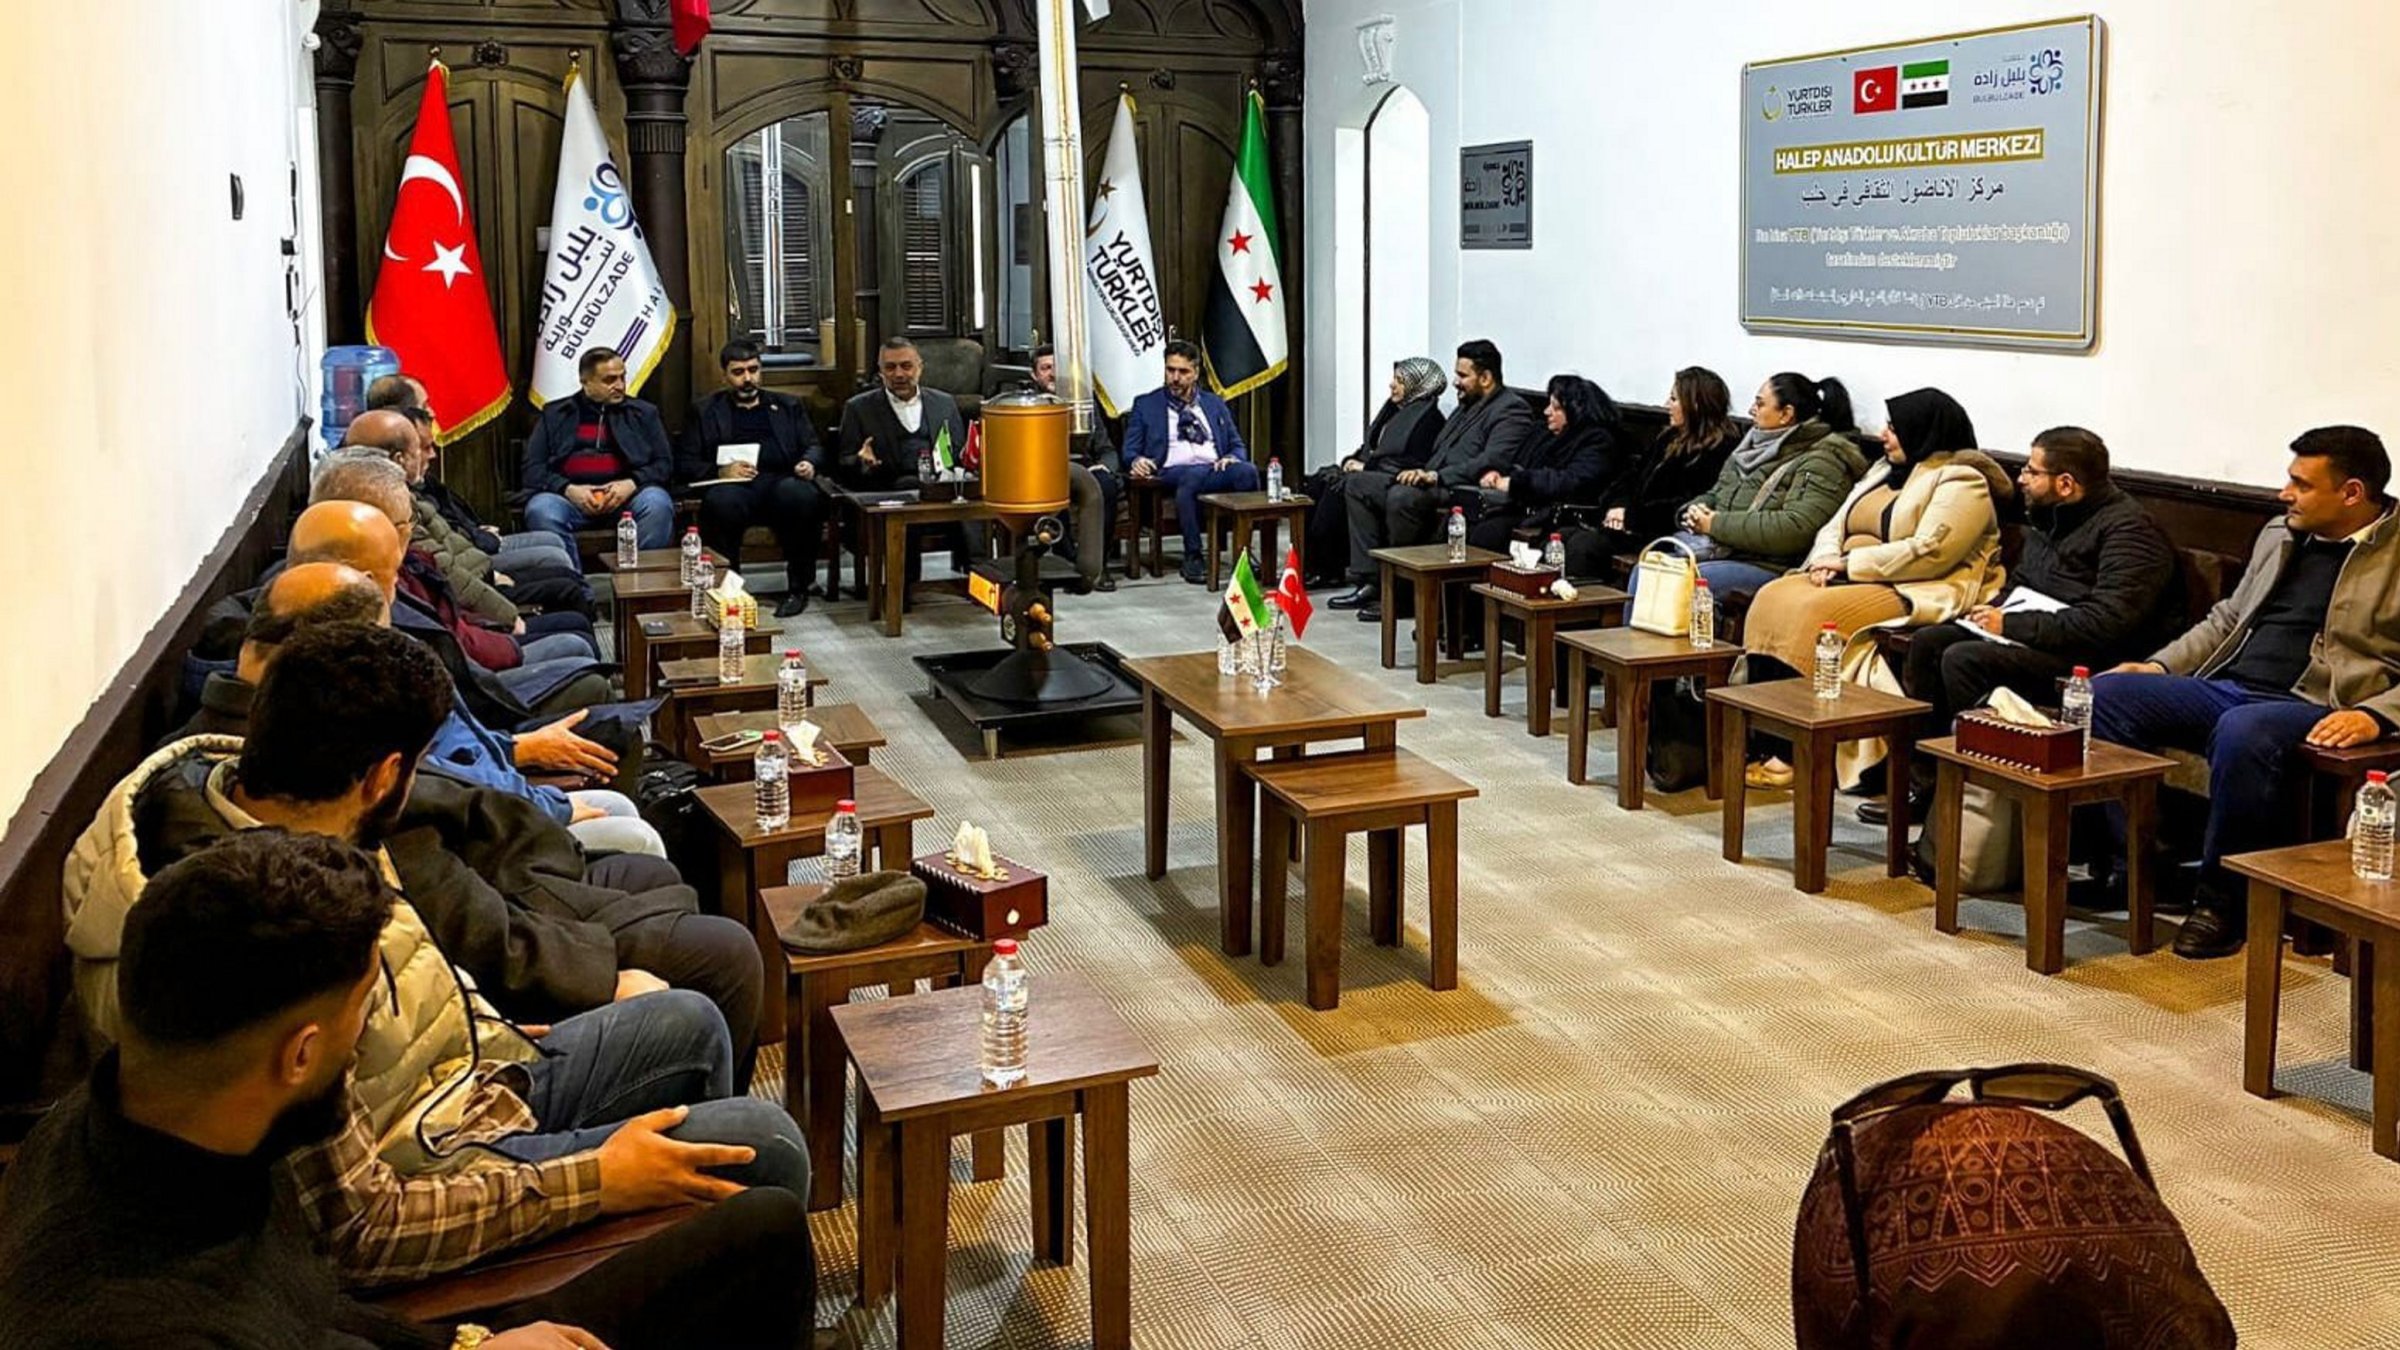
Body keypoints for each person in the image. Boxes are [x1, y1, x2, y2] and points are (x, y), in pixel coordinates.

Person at [62, 624, 808, 1288]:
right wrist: (599, 1181)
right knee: (763, 1146)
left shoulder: (294, 822)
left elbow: (424, 972)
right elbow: (358, 1228)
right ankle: (662, 1261)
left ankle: (682, 1269)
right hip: (435, 1169)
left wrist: (489, 1030)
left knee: (688, 1020)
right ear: (386, 775)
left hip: (458, 1084)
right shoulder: (262, 928)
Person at [2, 829, 817, 1349]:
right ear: (302, 1053)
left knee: (762, 1229)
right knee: (764, 1165)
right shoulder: (132, 1315)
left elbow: (320, 1301)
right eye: (366, 1010)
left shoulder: (153, 1113)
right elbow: (359, 1242)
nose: (364, 1043)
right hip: (419, 1308)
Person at [2091, 426, 2400, 959]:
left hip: (2316, 702)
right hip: (2228, 684)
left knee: (2244, 730)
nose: (2285, 493)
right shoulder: (2281, 532)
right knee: (2105, 693)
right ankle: (2148, 865)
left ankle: (2223, 902)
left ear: (2352, 493)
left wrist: (2379, 715)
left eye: (2301, 484)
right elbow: (2227, 618)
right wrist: (2161, 665)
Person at [180, 563, 665, 860]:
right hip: (484, 856)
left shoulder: (303, 681)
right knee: (637, 837)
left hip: (492, 796)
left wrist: (518, 751)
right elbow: (439, 791)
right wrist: (546, 803)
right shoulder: (328, 720)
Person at [1869, 427, 2178, 825]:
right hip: (2038, 634)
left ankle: (1974, 804)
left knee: (1965, 660)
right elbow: (2024, 585)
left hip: (2089, 659)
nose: (2021, 479)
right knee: (1930, 642)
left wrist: (2010, 624)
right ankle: (1928, 787)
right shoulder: (2049, 517)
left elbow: (2107, 622)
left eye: (2032, 471)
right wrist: (1990, 611)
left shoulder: (2130, 531)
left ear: (2065, 483)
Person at [1741, 388, 2011, 789]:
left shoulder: (1961, 479)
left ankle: (1799, 753)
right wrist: (1825, 560)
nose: (1884, 435)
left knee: (1809, 616)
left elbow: (1930, 551)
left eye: (1895, 428)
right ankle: (1765, 738)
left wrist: (1850, 565)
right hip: (1847, 574)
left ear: (1923, 431)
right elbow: (1836, 523)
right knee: (1772, 597)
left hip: (1912, 583)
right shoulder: (1883, 469)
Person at [1330, 339, 1537, 619]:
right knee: (1358, 484)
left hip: (1462, 489)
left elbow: (1492, 460)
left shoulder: (1511, 410)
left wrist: (1435, 476)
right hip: (1432, 478)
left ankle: (1403, 594)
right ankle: (1371, 580)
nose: (1455, 383)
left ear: (1486, 377)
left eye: (1463, 376)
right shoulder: (1466, 406)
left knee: (1403, 497)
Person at [348, 405, 592, 616]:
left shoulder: (406, 491)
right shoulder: (395, 504)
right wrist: (502, 602)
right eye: (423, 447)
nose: (432, 454)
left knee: (565, 578)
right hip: (473, 590)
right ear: (399, 458)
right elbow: (442, 569)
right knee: (566, 593)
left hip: (476, 568)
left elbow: (452, 540)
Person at [1673, 372, 1868, 610]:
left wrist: (1714, 525)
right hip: (1725, 550)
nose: (1751, 410)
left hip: (1771, 566)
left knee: (1680, 582)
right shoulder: (1749, 447)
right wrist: (1696, 509)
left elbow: (1796, 528)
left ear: (1786, 414)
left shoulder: (1823, 460)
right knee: (1650, 568)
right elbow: (1717, 493)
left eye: (1760, 403)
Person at [367, 372, 582, 578]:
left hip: (471, 546)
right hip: (467, 563)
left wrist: (475, 530)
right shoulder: (390, 480)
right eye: (424, 407)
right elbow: (441, 554)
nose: (432, 413)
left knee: (552, 543)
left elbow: (447, 515)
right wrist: (481, 546)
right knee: (553, 557)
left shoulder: (411, 465)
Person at [683, 340, 830, 617]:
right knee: (721, 502)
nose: (747, 378)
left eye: (753, 370)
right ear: (724, 375)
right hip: (733, 487)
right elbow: (686, 462)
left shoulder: (788, 405)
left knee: (801, 495)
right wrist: (720, 472)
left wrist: (808, 462)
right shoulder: (704, 411)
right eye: (738, 372)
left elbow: (814, 445)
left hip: (781, 482)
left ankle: (798, 588)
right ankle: (730, 589)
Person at [1561, 366, 1740, 579]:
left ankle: (1585, 609)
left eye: (1674, 399)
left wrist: (1632, 517)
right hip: (1631, 526)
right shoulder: (1668, 438)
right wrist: (1620, 505)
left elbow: (1688, 505)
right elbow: (1630, 478)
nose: (1667, 405)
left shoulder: (1719, 450)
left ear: (1695, 404)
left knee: (1585, 546)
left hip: (1667, 535)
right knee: (1561, 536)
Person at [1120, 338, 1262, 584]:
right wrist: (1137, 460)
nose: (1175, 378)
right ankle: (1193, 555)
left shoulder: (1214, 403)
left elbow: (1237, 445)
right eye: (1170, 370)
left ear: (1195, 373)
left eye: (1183, 371)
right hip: (1172, 471)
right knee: (1192, 476)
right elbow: (1129, 451)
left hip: (1214, 469)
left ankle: (1244, 553)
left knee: (1247, 471)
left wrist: (1231, 457)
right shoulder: (1146, 404)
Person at [1304, 356, 1447, 587]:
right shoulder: (1393, 410)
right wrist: (1352, 459)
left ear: (1418, 386)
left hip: (1394, 478)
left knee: (1340, 489)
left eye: (1400, 380)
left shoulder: (1429, 421)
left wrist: (1365, 467)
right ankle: (1311, 565)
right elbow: (1372, 446)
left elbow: (1410, 462)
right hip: (1374, 470)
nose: (1392, 385)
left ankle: (1333, 569)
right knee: (1319, 481)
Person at [522, 347, 678, 549]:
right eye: (610, 380)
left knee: (657, 503)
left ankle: (640, 578)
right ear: (585, 382)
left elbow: (664, 464)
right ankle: (570, 580)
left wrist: (632, 483)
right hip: (570, 499)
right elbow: (533, 469)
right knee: (541, 509)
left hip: (627, 499)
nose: (620, 386)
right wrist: (567, 489)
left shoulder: (643, 413)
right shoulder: (556, 414)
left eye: (622, 377)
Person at [1465, 373, 1626, 554]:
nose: (1546, 411)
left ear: (1575, 411)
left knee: (1488, 534)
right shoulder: (1543, 432)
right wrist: (1496, 474)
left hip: (1559, 515)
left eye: (1556, 407)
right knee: (1464, 518)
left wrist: (1517, 482)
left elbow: (1572, 481)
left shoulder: (1597, 441)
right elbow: (1516, 462)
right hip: (1526, 506)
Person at [1032, 343, 1123, 592]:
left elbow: (1106, 448)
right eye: (1045, 368)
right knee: (1055, 488)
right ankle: (1068, 562)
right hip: (1045, 470)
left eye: (1056, 367)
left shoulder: (1083, 399)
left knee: (1107, 486)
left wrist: (1105, 467)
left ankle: (1098, 565)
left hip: (1086, 469)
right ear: (1035, 375)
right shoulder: (1029, 404)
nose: (1051, 373)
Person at [836, 336, 970, 492]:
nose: (899, 374)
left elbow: (959, 455)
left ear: (919, 368)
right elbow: (843, 463)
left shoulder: (944, 404)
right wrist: (861, 461)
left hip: (939, 492)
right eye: (890, 367)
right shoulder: (858, 408)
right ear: (881, 372)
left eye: (906, 366)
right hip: (884, 493)